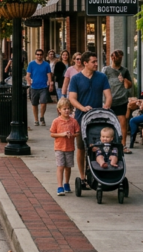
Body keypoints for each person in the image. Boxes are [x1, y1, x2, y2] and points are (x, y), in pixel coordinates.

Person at [68, 51, 112, 181]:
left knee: (97, 146)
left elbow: (108, 95)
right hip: (81, 118)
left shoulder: (101, 77)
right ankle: (82, 176)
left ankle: (98, 171)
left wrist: (107, 106)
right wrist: (82, 108)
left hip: (98, 118)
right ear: (85, 63)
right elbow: (72, 98)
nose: (96, 64)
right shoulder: (76, 79)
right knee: (81, 147)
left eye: (96, 61)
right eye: (93, 62)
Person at [103, 50, 134, 151]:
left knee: (123, 123)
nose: (118, 59)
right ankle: (107, 143)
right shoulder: (106, 70)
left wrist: (124, 80)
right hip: (109, 100)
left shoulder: (124, 70)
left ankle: (123, 145)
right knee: (108, 123)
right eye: (116, 57)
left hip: (121, 100)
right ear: (111, 57)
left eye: (120, 57)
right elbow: (101, 83)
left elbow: (129, 86)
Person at [49, 98, 79, 196]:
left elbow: (77, 132)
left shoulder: (73, 121)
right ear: (59, 110)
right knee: (60, 166)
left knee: (68, 167)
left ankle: (66, 183)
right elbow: (52, 134)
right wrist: (62, 134)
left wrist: (72, 135)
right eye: (64, 109)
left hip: (69, 147)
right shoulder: (56, 121)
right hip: (59, 147)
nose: (66, 111)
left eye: (68, 109)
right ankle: (60, 186)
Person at [25, 49, 52, 125]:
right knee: (34, 104)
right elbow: (28, 75)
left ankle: (42, 117)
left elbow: (49, 75)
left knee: (43, 103)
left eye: (40, 54)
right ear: (35, 55)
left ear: (43, 55)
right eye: (38, 54)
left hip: (43, 87)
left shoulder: (46, 64)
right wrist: (29, 81)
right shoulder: (31, 64)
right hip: (34, 87)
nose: (39, 56)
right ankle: (36, 120)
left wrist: (50, 84)